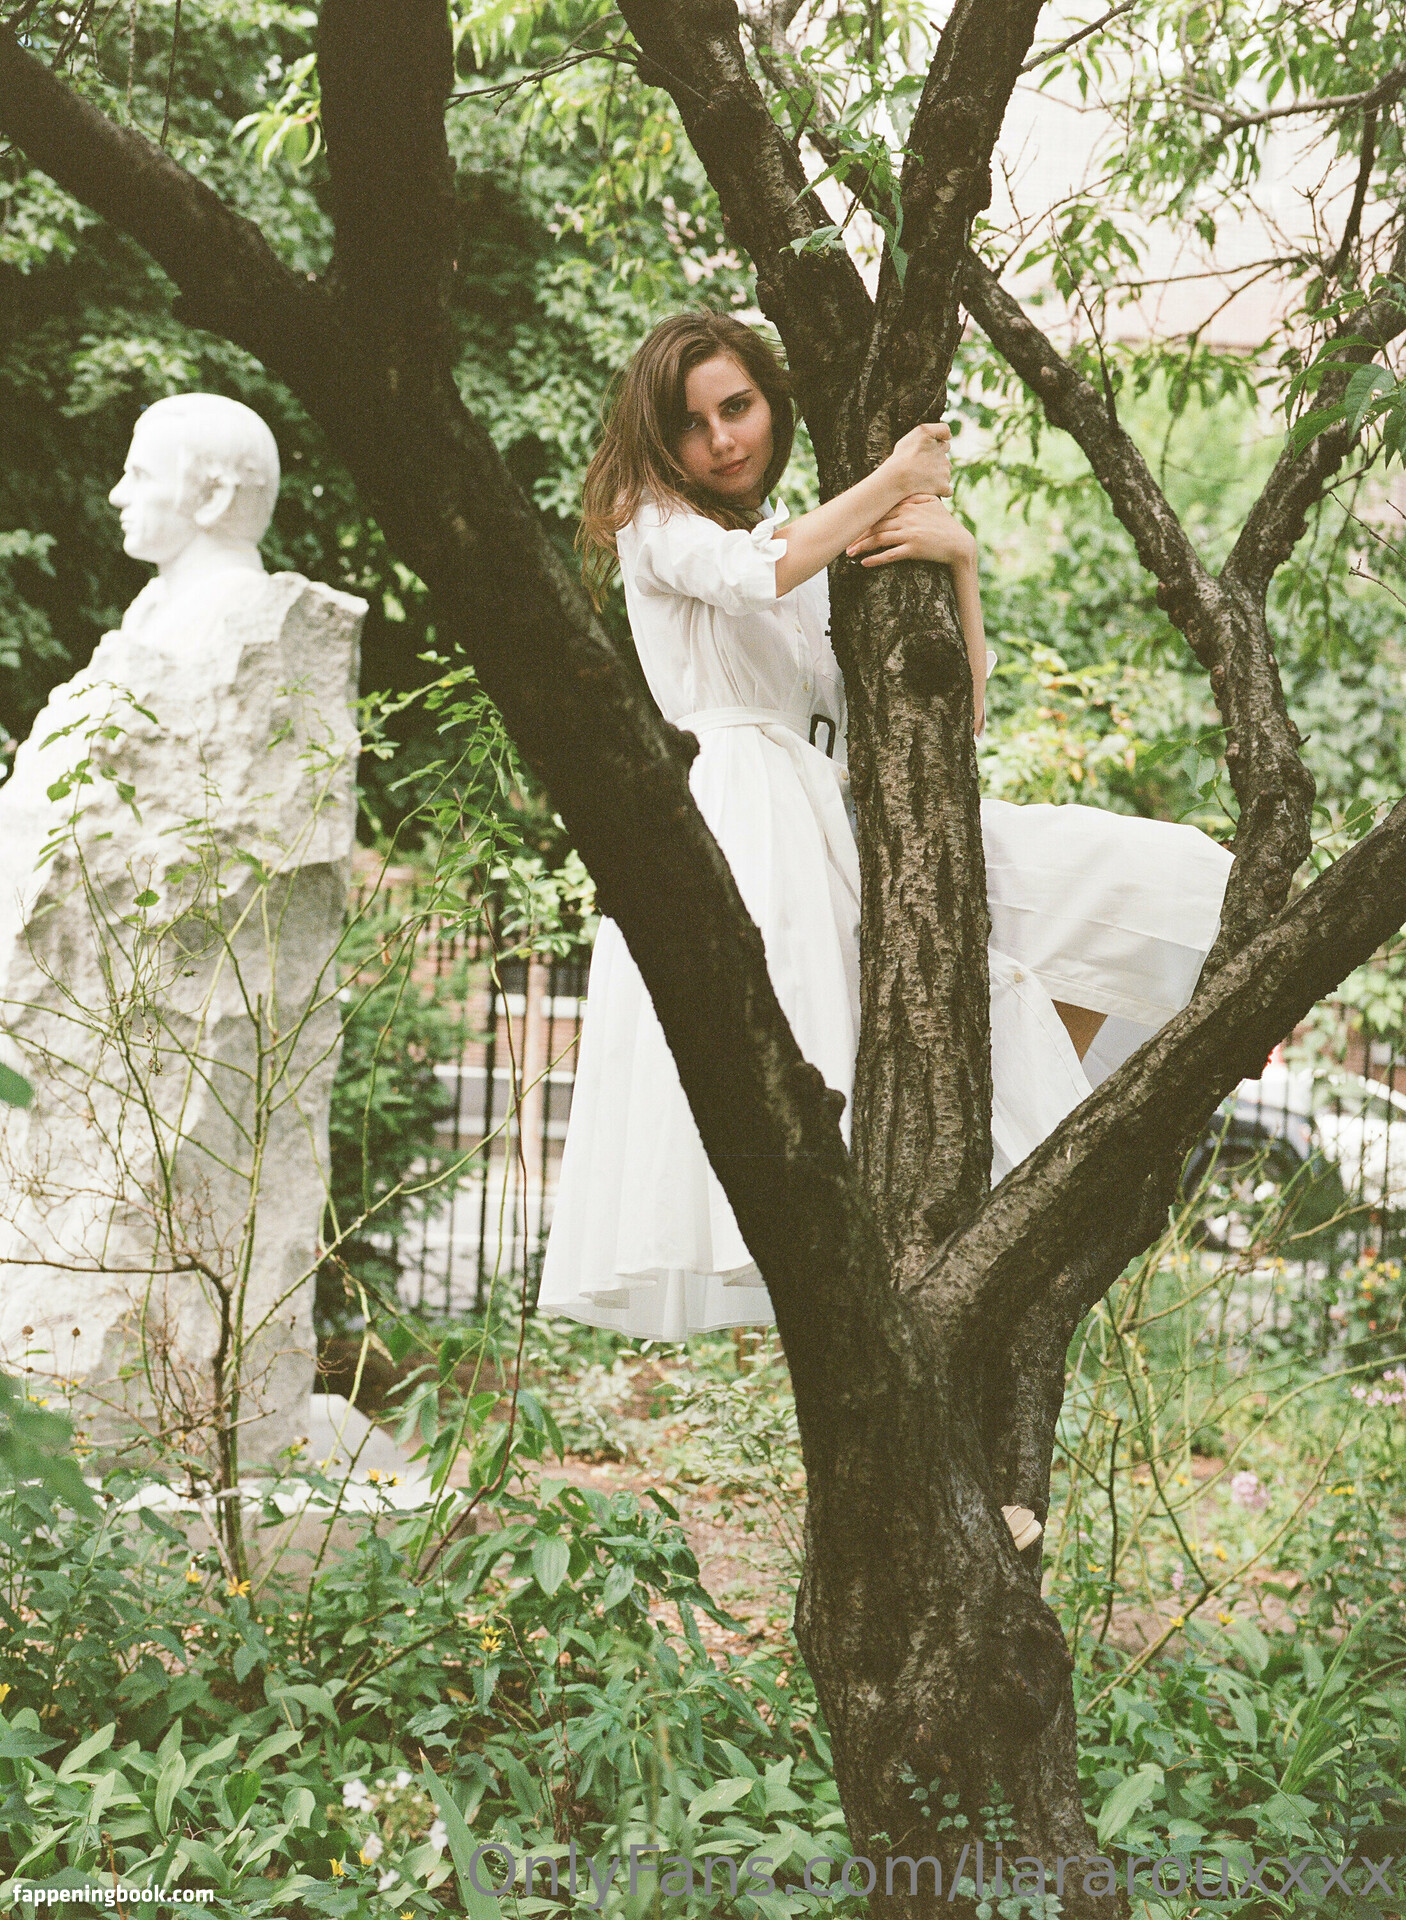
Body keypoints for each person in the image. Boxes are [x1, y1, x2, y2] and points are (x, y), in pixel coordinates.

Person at [537, 311, 1233, 1346]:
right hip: (742, 821)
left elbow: (946, 707)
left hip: (834, 805)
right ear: (658, 441)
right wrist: (898, 477)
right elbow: (748, 575)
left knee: (1140, 879)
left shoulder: (809, 544)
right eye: (691, 424)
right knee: (818, 1079)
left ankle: (1036, 1152)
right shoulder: (656, 523)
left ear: (771, 404)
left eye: (738, 407)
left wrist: (960, 564)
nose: (722, 439)